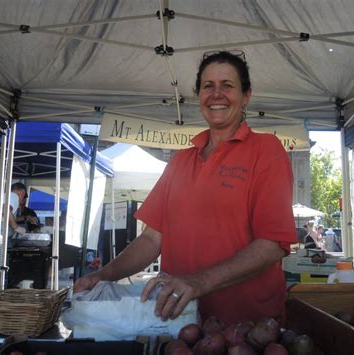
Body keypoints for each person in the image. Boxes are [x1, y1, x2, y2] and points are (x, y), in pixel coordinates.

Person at [75, 50, 297, 325]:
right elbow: (151, 239)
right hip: (178, 322)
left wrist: (199, 282)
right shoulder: (181, 160)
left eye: (227, 85)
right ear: (198, 95)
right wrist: (103, 275)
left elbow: (272, 243)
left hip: (247, 327)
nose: (217, 94)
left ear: (246, 96)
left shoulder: (266, 150)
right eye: (208, 86)